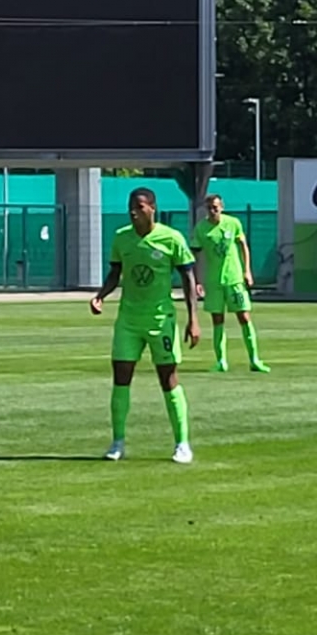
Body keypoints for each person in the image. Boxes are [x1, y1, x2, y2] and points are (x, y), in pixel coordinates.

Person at [91, 187, 200, 463]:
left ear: (152, 208)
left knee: (168, 378)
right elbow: (115, 272)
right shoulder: (121, 238)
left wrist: (193, 320)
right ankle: (117, 442)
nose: (133, 212)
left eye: (139, 206)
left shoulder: (171, 238)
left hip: (160, 320)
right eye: (131, 206)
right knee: (121, 377)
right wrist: (100, 296)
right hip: (128, 320)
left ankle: (182, 444)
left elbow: (188, 277)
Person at [191, 193, 268, 374]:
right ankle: (221, 361)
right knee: (217, 320)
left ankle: (254, 360)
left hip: (234, 279)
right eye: (209, 208)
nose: (212, 211)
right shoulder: (201, 228)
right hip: (214, 281)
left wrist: (247, 270)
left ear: (222, 207)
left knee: (244, 317)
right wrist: (197, 280)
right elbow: (195, 256)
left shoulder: (233, 223)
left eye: (215, 207)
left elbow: (243, 246)